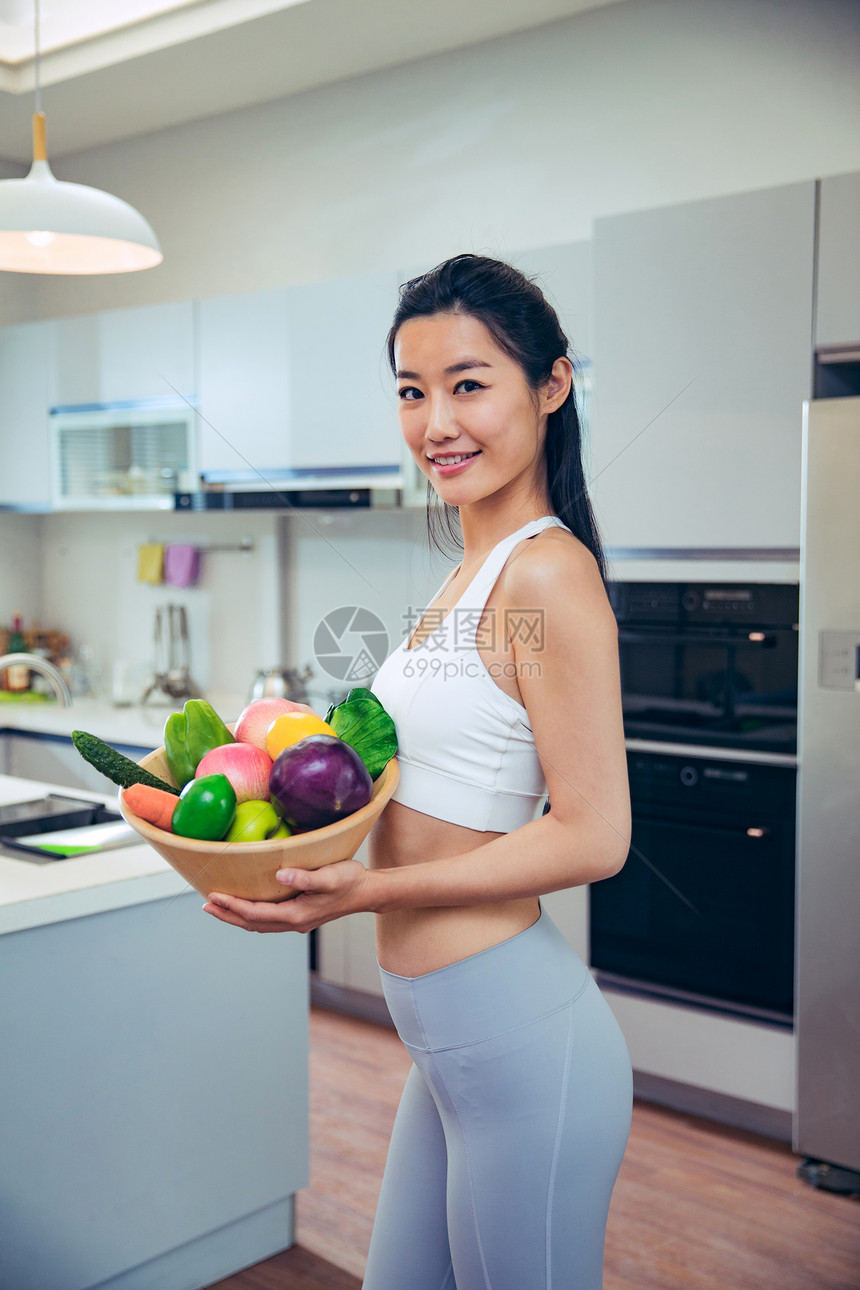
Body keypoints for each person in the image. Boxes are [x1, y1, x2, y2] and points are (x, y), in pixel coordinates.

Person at [203, 253, 634, 1289]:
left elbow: (592, 836)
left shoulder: (547, 572)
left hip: (521, 1043)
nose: (435, 420)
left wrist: (364, 893)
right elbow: (435, 780)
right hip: (453, 1052)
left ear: (550, 385)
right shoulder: (465, 572)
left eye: (468, 383)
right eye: (411, 390)